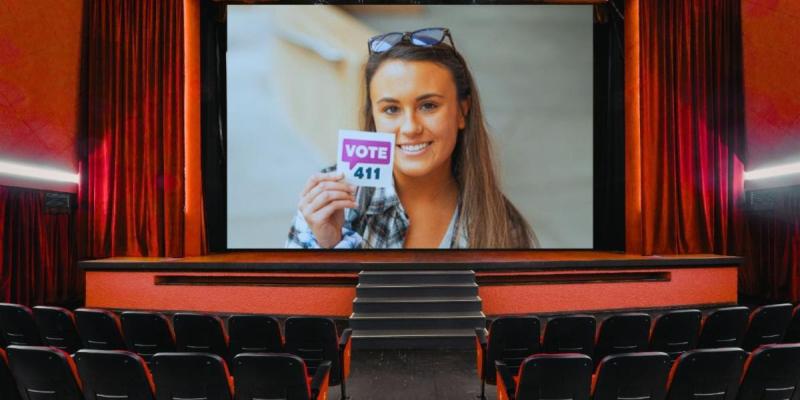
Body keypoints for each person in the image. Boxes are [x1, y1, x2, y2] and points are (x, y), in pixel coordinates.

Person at [286, 27, 537, 249]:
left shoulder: (503, 227)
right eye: (391, 109)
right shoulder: (329, 202)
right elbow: (295, 302)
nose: (410, 128)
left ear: (462, 111)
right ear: (373, 119)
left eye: (428, 106)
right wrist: (327, 247)